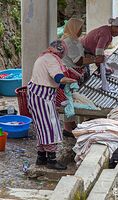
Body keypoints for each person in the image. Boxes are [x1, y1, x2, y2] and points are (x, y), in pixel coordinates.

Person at [27, 40, 77, 170]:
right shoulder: (51, 59)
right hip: (42, 96)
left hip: (36, 94)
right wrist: (72, 81)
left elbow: (50, 78)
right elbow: (58, 78)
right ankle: (51, 160)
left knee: (41, 127)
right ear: (60, 51)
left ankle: (41, 157)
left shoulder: (44, 57)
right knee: (50, 126)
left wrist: (64, 86)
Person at [57, 18, 103, 136]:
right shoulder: (68, 42)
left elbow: (81, 55)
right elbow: (78, 61)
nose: (81, 30)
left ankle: (72, 124)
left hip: (75, 73)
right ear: (73, 28)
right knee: (69, 99)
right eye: (79, 28)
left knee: (72, 98)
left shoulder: (74, 40)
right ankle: (68, 128)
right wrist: (94, 59)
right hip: (69, 73)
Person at [81, 17, 118, 91]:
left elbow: (99, 52)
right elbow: (99, 51)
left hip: (87, 50)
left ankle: (81, 89)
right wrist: (101, 66)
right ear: (114, 26)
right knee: (83, 73)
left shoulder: (106, 30)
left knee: (85, 72)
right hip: (83, 50)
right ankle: (81, 91)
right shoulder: (105, 34)